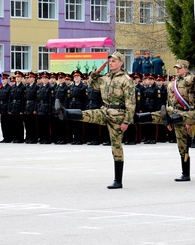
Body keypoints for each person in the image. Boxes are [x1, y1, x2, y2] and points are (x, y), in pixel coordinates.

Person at [55, 51, 135, 189]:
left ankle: (118, 180)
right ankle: (66, 113)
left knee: (116, 146)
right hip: (105, 110)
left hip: (118, 114)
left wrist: (126, 121)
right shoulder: (105, 78)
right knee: (89, 114)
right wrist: (98, 70)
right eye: (110, 61)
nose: (111, 63)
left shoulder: (126, 80)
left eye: (114, 61)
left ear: (121, 63)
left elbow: (131, 103)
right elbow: (91, 83)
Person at [135, 59, 195, 182]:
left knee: (184, 145)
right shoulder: (172, 83)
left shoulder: (191, 82)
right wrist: (168, 120)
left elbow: (194, 101)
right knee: (180, 145)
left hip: (185, 114)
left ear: (186, 68)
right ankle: (184, 172)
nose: (177, 69)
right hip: (173, 113)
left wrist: (190, 121)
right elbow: (169, 102)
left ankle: (186, 173)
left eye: (180, 68)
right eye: (176, 67)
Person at [67, 70, 87, 145]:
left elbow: (85, 99)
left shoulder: (83, 87)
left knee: (79, 124)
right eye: (75, 77)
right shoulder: (71, 86)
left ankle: (80, 139)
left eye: (77, 76)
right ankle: (75, 138)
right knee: (73, 124)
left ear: (80, 78)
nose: (76, 78)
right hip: (72, 107)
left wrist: (84, 108)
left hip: (80, 107)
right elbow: (69, 98)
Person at [9, 71, 26, 143]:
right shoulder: (13, 87)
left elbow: (23, 99)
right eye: (16, 77)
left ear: (21, 78)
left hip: (19, 106)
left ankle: (20, 138)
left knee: (19, 124)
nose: (17, 78)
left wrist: (22, 110)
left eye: (18, 77)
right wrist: (10, 108)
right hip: (14, 106)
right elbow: (10, 99)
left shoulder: (23, 87)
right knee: (14, 123)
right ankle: (15, 137)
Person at [36, 72, 52, 144]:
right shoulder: (40, 87)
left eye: (46, 78)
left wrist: (49, 109)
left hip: (46, 107)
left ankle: (47, 138)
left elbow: (50, 99)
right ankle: (42, 138)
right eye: (43, 78)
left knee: (46, 125)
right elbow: (38, 99)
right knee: (41, 124)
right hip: (40, 107)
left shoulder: (50, 87)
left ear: (48, 79)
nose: (44, 79)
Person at [0, 73, 12, 143]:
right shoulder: (1, 88)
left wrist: (9, 109)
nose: (3, 80)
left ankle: (8, 137)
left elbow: (9, 99)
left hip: (6, 107)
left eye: (4, 79)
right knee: (3, 123)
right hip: (2, 107)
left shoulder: (9, 88)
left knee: (8, 123)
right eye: (2, 79)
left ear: (7, 79)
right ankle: (5, 137)